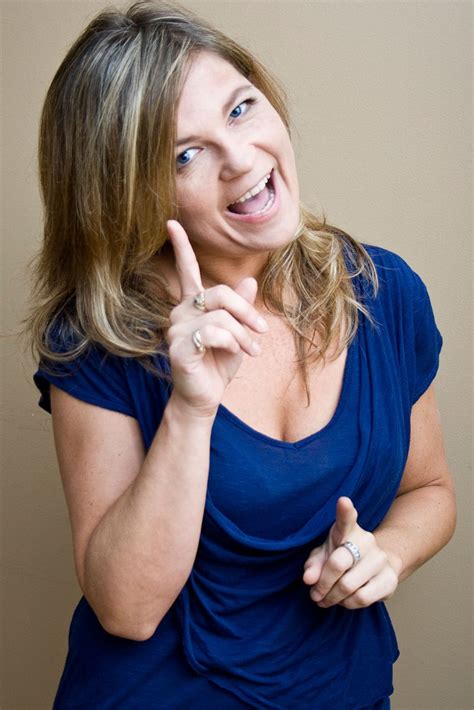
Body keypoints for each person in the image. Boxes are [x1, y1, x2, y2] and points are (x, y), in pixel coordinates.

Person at [26, 1, 456, 707]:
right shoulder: (98, 340)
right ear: (128, 195)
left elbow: (429, 491)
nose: (241, 159)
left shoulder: (386, 293)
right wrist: (191, 407)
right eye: (184, 155)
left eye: (240, 108)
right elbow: (127, 610)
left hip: (343, 691)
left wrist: (385, 554)